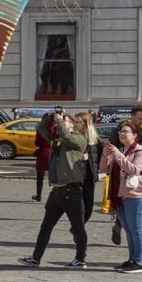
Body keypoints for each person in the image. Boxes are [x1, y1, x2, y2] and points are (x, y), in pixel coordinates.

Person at [19, 110, 89, 269]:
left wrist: (60, 122)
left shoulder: (78, 139)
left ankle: (80, 259)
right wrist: (51, 117)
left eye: (65, 121)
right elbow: (42, 129)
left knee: (78, 228)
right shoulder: (57, 140)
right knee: (46, 226)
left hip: (72, 191)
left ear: (72, 125)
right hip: (56, 191)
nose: (60, 123)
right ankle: (36, 258)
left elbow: (67, 136)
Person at [100, 122, 142, 273]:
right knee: (129, 230)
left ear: (134, 135)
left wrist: (118, 155)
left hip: (136, 196)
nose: (122, 134)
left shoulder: (140, 152)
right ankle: (132, 259)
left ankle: (139, 262)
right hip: (120, 195)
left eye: (126, 132)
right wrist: (105, 155)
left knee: (137, 230)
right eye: (121, 132)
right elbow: (104, 169)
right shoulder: (121, 150)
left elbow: (134, 169)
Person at [107, 105, 142, 243]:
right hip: (122, 172)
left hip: (140, 173)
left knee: (136, 207)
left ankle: (134, 236)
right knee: (124, 203)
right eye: (139, 118)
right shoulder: (121, 130)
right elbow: (110, 149)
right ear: (132, 116)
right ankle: (126, 230)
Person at [32, 117, 52, 201]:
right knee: (56, 175)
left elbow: (37, 142)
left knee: (40, 176)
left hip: (43, 152)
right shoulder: (55, 128)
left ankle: (38, 195)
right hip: (54, 152)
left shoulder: (40, 129)